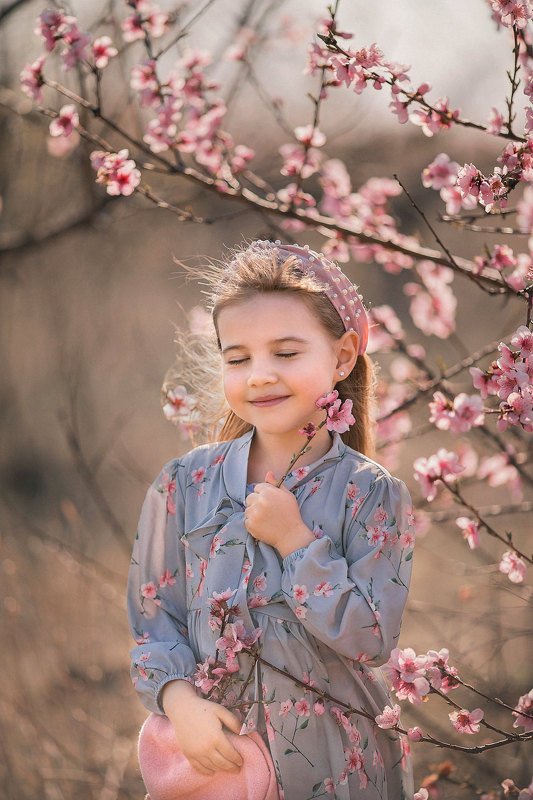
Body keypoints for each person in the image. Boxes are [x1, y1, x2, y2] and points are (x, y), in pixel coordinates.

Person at [127, 239, 415, 799]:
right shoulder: (184, 484)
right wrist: (180, 704)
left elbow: (372, 638)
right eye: (238, 358)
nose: (259, 375)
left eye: (285, 353)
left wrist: (296, 542)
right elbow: (153, 619)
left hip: (333, 758)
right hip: (216, 754)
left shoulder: (371, 493)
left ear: (342, 356)